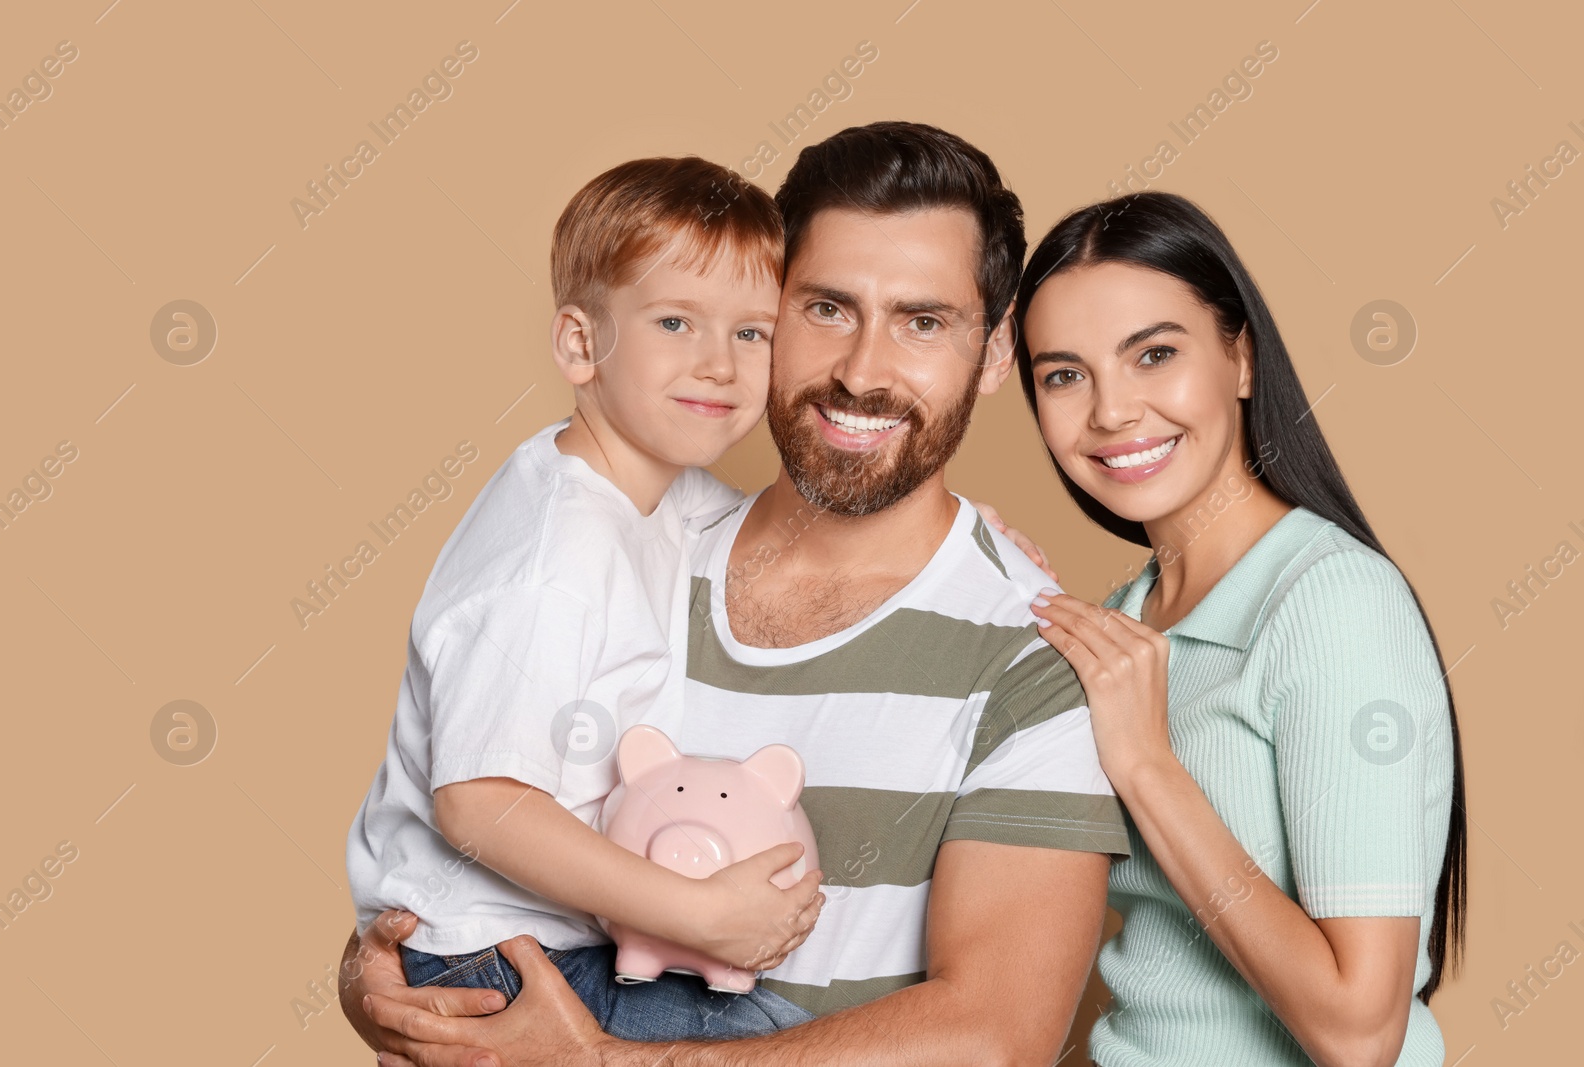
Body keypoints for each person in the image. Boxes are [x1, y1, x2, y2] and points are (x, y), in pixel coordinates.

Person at [340, 121, 1132, 1067]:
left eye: (923, 322)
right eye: (826, 308)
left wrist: (595, 1064)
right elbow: (468, 811)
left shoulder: (1031, 653)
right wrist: (382, 972)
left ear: (997, 351)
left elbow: (995, 1035)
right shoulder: (639, 538)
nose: (863, 371)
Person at [344, 155, 831, 1042]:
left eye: (752, 333)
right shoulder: (555, 558)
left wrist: (952, 522)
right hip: (499, 953)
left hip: (555, 933)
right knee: (797, 1046)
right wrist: (698, 913)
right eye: (675, 321)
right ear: (580, 343)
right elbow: (480, 801)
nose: (719, 364)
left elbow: (766, 529)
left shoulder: (651, 487)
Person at [1019, 191, 1466, 1066]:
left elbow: (1359, 1031)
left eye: (1153, 354)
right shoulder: (1123, 623)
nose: (1111, 411)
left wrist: (1148, 766)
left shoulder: (1332, 603)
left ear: (1243, 359)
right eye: (1064, 374)